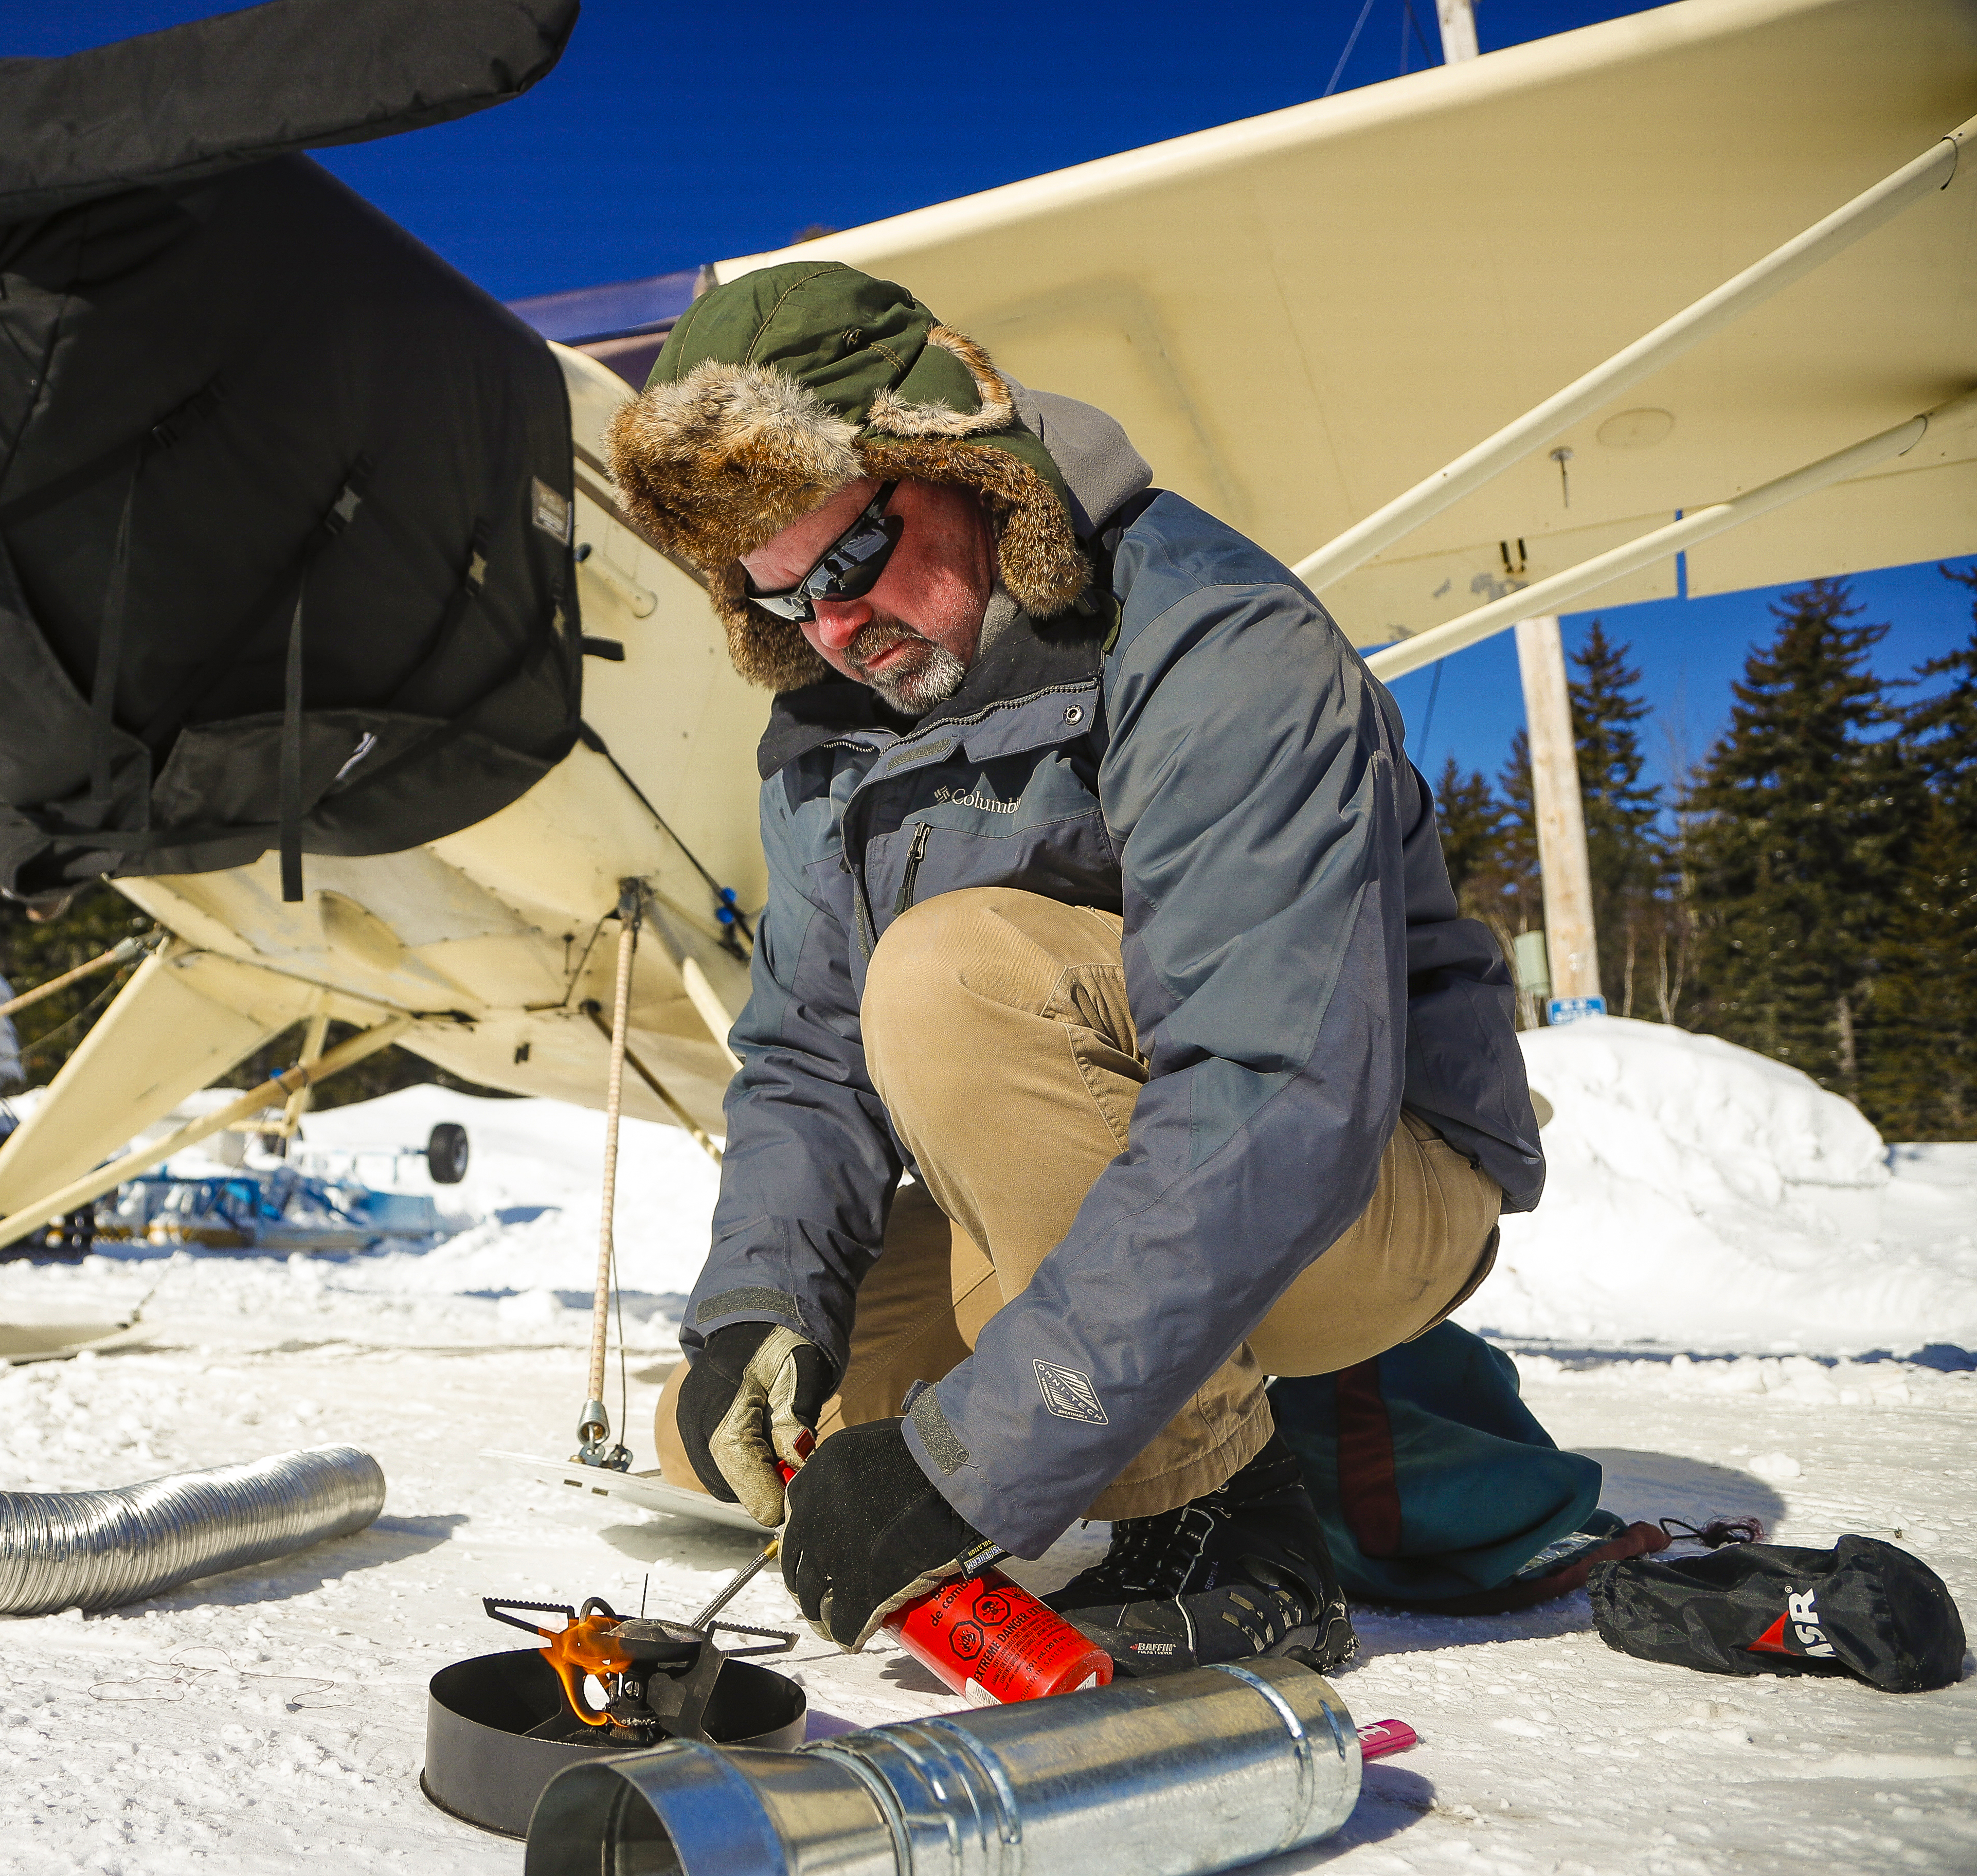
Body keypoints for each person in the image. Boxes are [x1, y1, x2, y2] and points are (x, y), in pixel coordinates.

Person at [604, 262, 1544, 1674]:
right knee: (732, 1427)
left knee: (947, 974)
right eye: (781, 598)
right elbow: (804, 1059)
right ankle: (1126, 1393)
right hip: (1080, 1173)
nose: (838, 630)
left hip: (1366, 1188)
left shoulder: (1216, 643)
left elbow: (1273, 1091)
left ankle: (1231, 1516)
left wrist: (968, 1467)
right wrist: (762, 1308)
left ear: (956, 462)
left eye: (852, 565)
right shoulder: (824, 733)